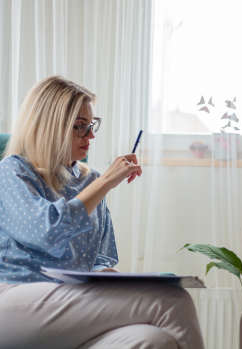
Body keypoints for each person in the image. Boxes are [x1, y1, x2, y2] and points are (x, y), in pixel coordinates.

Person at [0, 76, 205, 349]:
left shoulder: (89, 179)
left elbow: (98, 259)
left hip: (72, 303)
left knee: (155, 340)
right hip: (16, 298)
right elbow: (47, 232)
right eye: (81, 127)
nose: (91, 136)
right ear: (49, 127)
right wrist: (106, 182)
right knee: (172, 301)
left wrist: (121, 280)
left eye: (92, 125)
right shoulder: (12, 171)